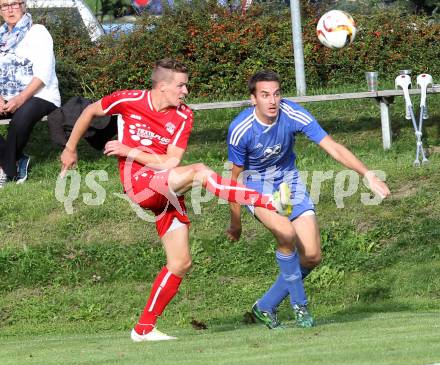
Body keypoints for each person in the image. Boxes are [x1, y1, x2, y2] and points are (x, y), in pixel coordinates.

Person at [59, 58, 292, 342]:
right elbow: (90, 111)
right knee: (200, 171)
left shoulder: (184, 115)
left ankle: (143, 328)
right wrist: (70, 149)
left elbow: (170, 161)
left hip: (165, 185)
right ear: (163, 86)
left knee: (180, 262)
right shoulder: (128, 99)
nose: (186, 91)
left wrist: (129, 150)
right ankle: (267, 201)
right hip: (140, 184)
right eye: (181, 85)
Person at [226, 70, 390, 329]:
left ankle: (265, 306)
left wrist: (366, 173)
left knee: (312, 256)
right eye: (265, 95)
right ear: (253, 99)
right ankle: (300, 307)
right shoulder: (240, 129)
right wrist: (235, 221)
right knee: (286, 233)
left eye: (276, 94)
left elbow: (332, 146)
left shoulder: (292, 114)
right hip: (255, 185)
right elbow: (233, 180)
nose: (272, 101)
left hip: (288, 182)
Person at [0, 0, 60, 187]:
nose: (10, 9)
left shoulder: (38, 32)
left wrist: (20, 99)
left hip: (40, 94)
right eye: (4, 5)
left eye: (14, 4)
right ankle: (18, 160)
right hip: (6, 96)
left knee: (21, 118)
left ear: (23, 6)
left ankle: (6, 171)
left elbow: (43, 74)